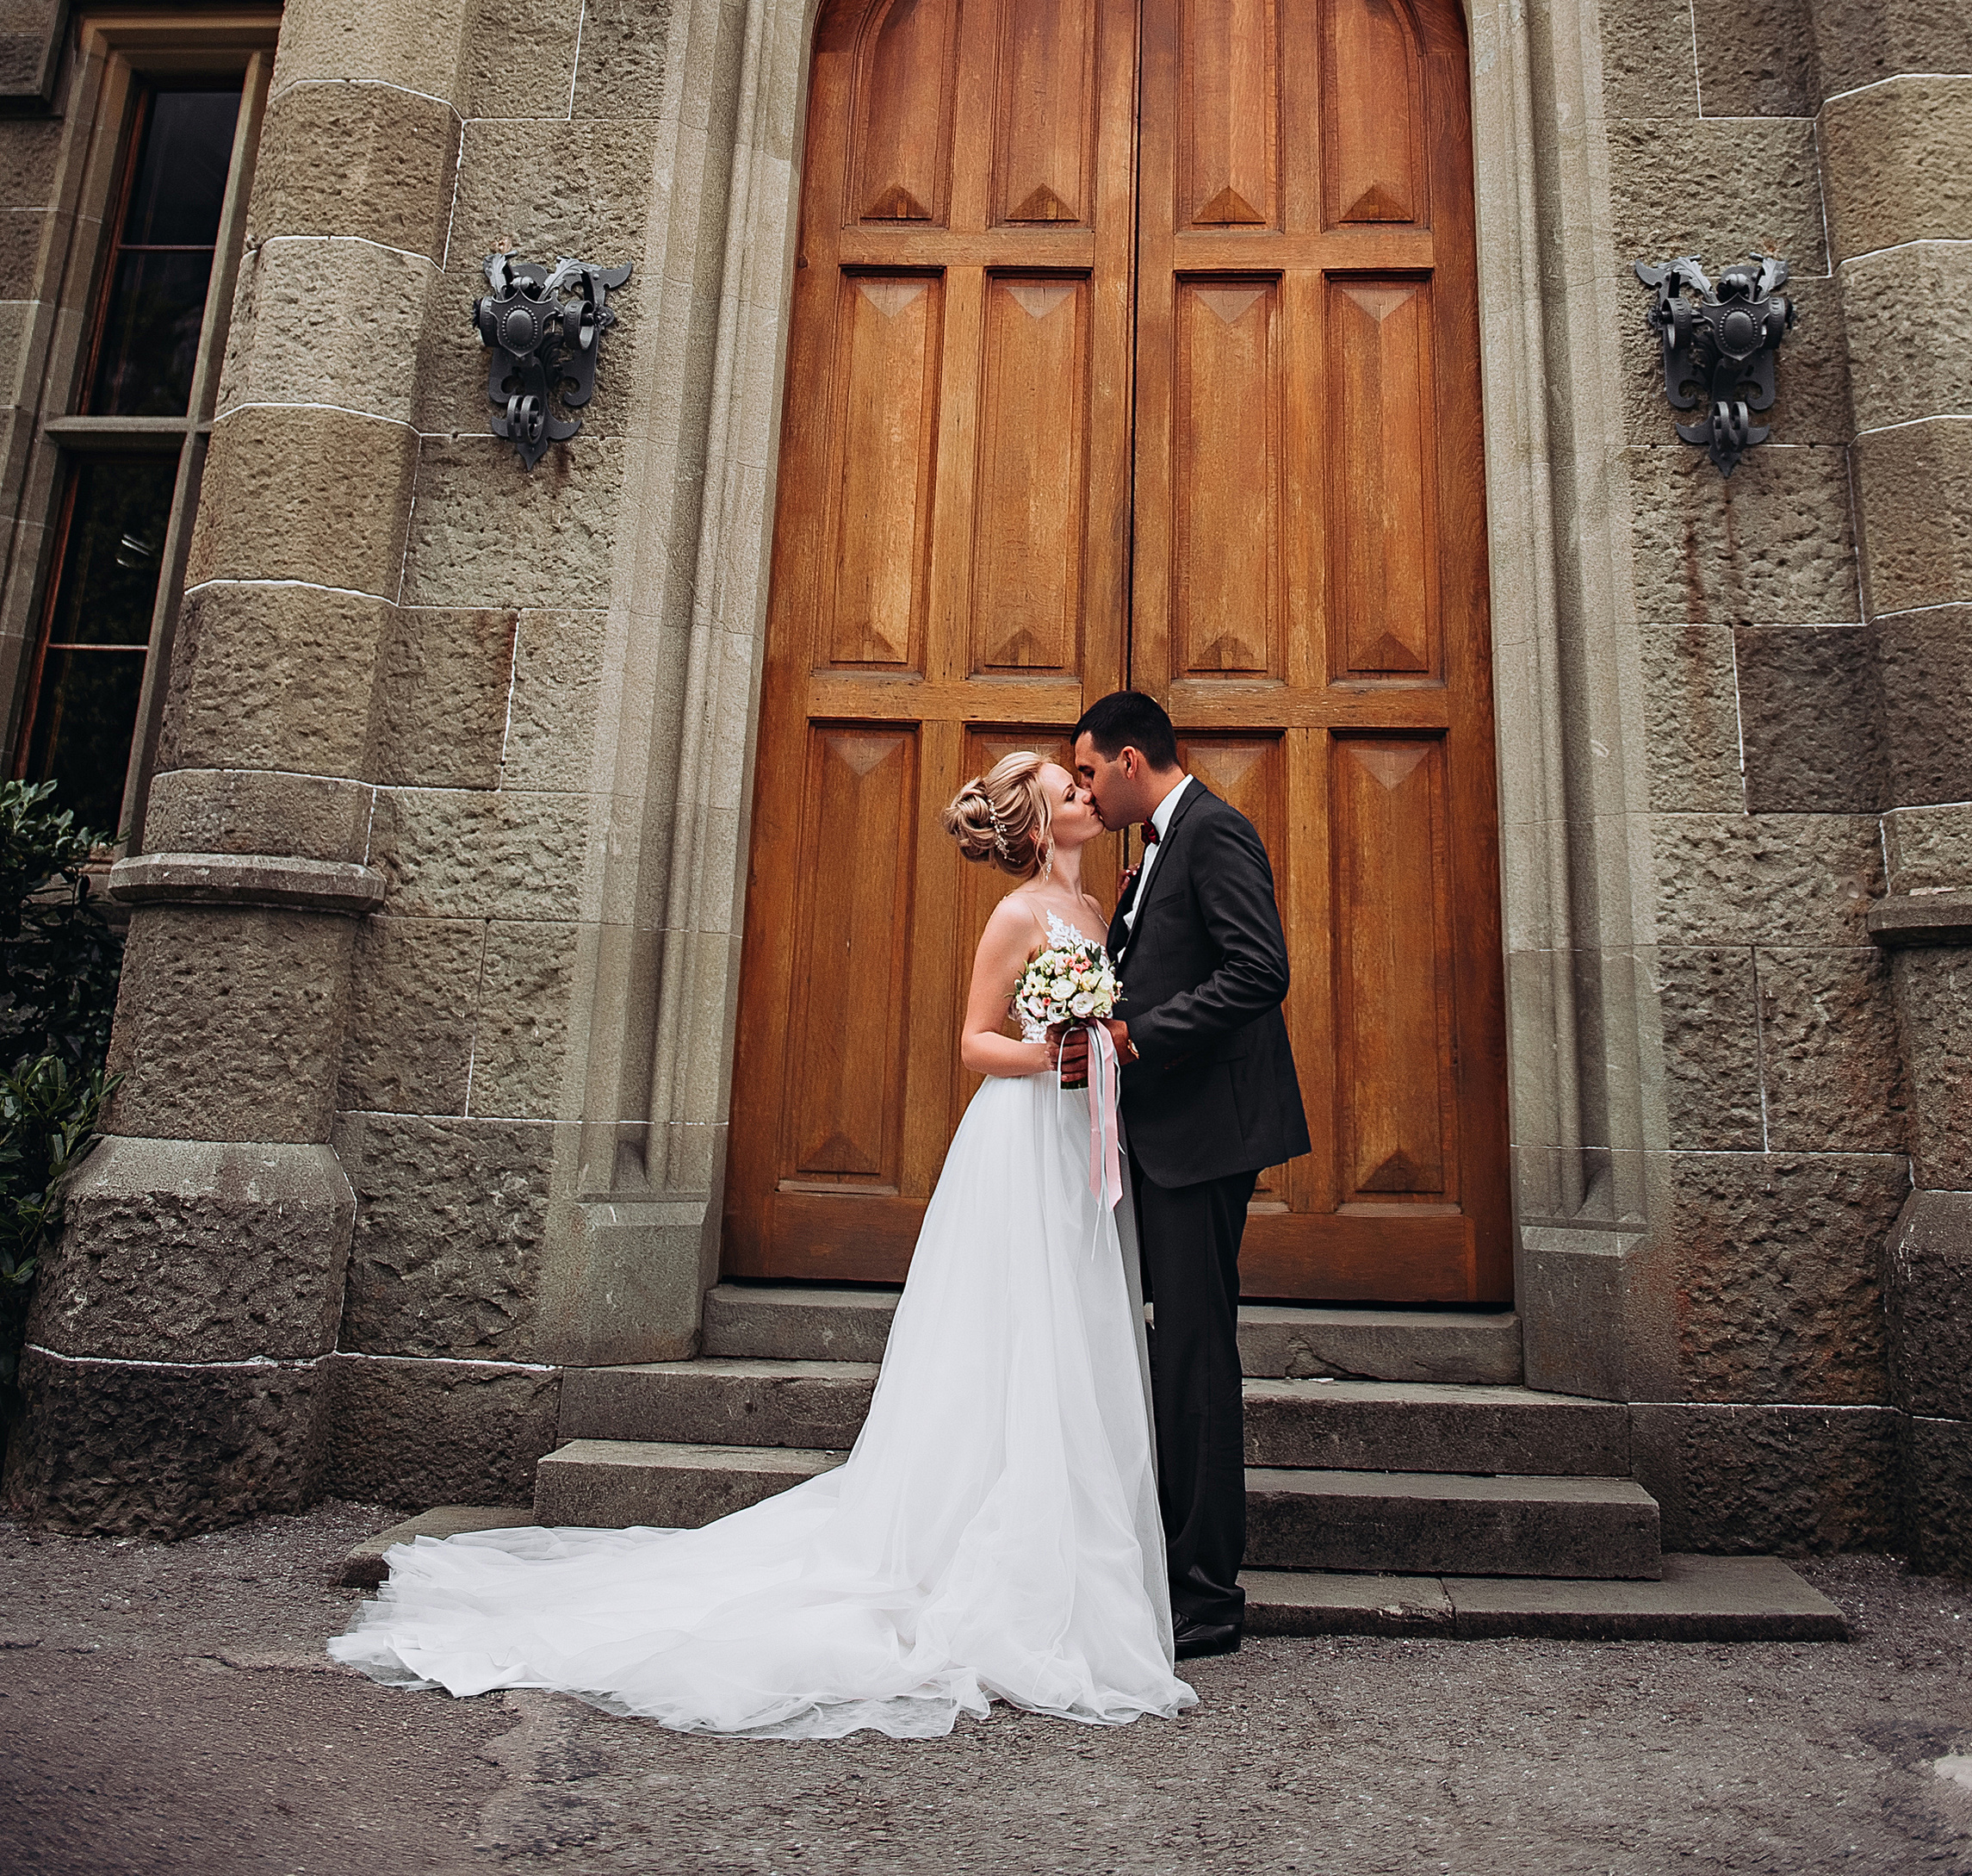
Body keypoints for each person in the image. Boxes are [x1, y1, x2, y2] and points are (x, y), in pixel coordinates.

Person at [328, 753, 1195, 1742]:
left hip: (1077, 1138)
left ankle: (1070, 1544)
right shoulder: (1018, 915)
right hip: (1022, 1136)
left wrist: (1099, 1046)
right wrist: (1060, 1050)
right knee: (1016, 1328)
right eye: (1067, 786)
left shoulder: (1095, 908)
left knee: (1070, 1327)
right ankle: (988, 1550)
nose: (1087, 790)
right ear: (1038, 822)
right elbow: (972, 1041)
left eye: (1083, 780)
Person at [1069, 692, 1310, 1660]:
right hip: (1164, 1135)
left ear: (1130, 760)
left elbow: (1260, 970)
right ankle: (1165, 1564)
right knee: (1175, 1352)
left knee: (1197, 1356)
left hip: (1204, 1138)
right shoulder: (1159, 847)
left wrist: (1136, 1036)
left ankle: (1206, 1593)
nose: (1086, 790)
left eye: (1089, 772)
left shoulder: (1214, 832)